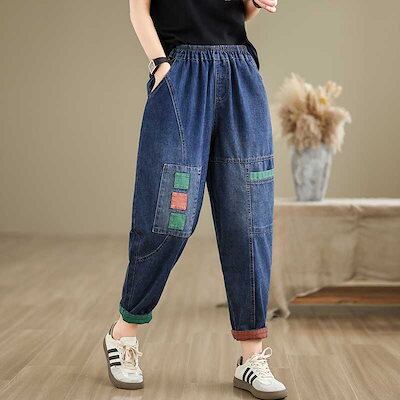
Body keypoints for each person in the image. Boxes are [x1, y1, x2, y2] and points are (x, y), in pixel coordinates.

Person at [103, 1, 287, 399]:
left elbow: (241, 13)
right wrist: (160, 65)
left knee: (248, 221)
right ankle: (123, 333)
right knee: (168, 217)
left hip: (239, 73)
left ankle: (251, 357)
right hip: (181, 75)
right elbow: (139, 11)